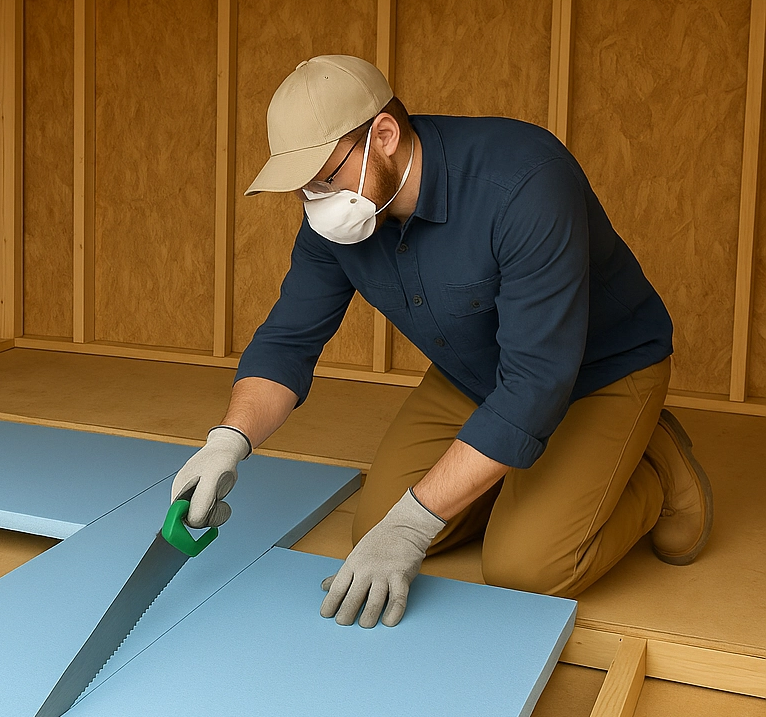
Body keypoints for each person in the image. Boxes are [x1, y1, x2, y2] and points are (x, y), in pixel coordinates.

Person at [171, 55, 713, 629]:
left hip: (596, 371)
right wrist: (229, 440)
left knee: (527, 566)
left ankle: (652, 465)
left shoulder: (523, 181)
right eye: (303, 186)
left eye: (325, 177)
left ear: (383, 135)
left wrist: (414, 525)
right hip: (477, 372)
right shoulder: (339, 216)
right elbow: (287, 341)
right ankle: (535, 477)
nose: (315, 198)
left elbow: (535, 383)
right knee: (373, 526)